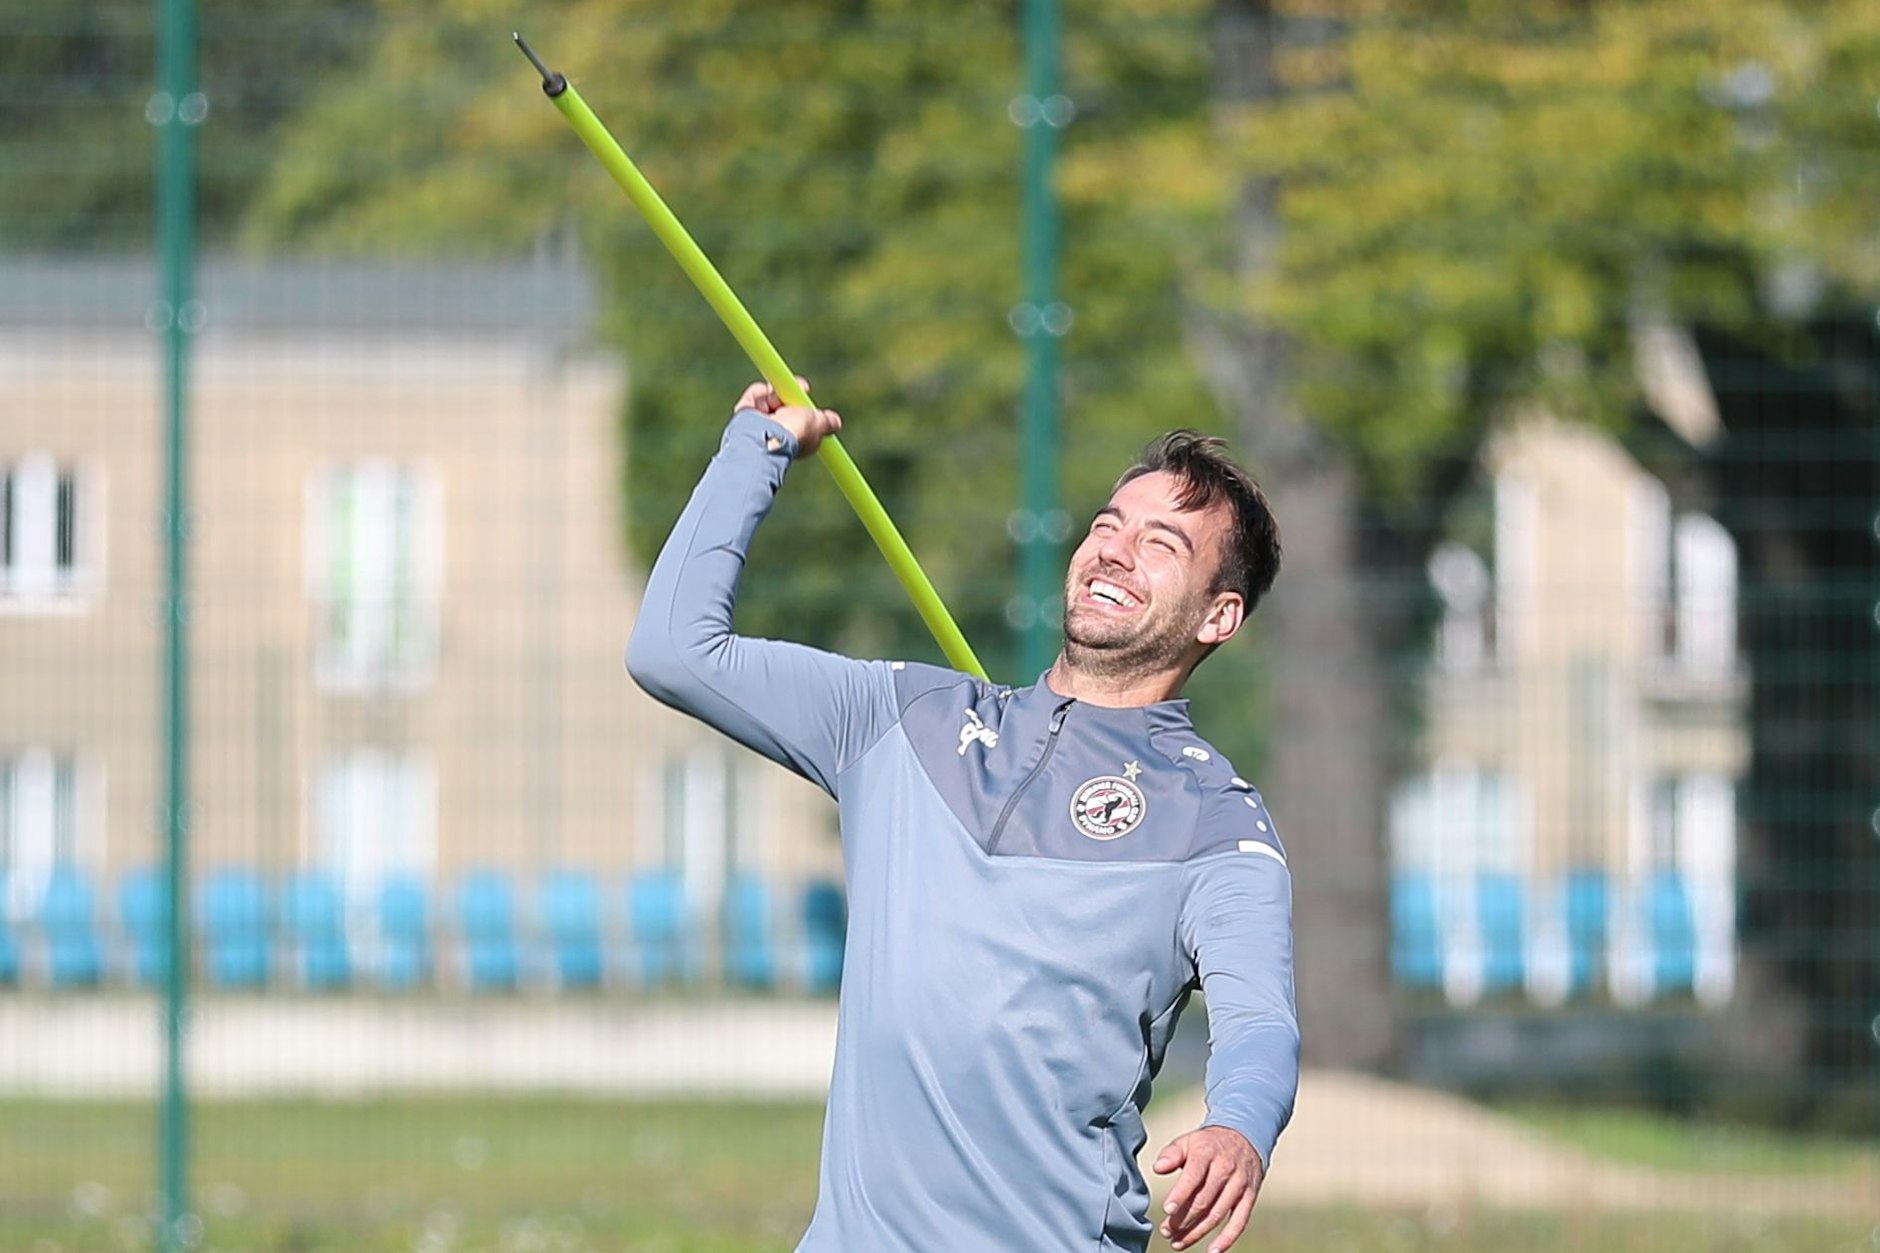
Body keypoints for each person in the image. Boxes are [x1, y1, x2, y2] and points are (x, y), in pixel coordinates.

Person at [627, 380, 1298, 1253]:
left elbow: (1260, 1023)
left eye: (1160, 543)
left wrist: (1238, 1126)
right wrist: (755, 452)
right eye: (1107, 524)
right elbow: (673, 649)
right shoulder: (901, 718)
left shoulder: (1217, 824)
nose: (1114, 550)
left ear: (1220, 613)